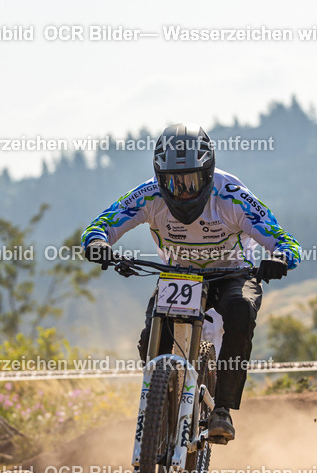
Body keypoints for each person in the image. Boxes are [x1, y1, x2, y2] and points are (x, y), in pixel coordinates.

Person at [82, 124, 301, 443]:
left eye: (192, 180)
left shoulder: (231, 195)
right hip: (180, 274)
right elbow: (103, 223)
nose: (183, 190)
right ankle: (162, 401)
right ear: (159, 177)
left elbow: (282, 238)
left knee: (240, 312)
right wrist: (98, 243)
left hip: (233, 272)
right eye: (173, 181)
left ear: (208, 172)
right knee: (152, 341)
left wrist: (280, 258)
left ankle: (222, 409)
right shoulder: (149, 194)